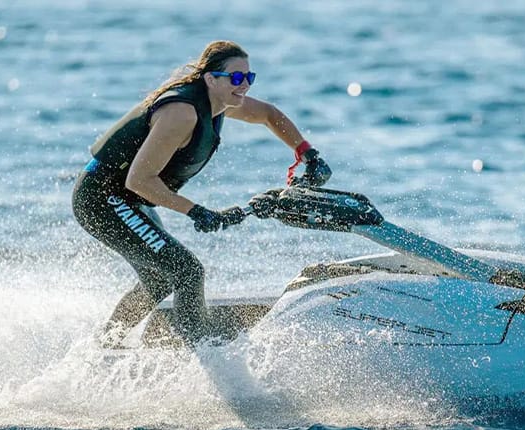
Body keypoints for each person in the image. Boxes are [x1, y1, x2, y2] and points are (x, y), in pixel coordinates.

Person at [71, 40, 331, 348]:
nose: (244, 85)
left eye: (250, 77)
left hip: (127, 199)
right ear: (210, 79)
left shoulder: (221, 102)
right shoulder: (181, 113)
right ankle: (203, 354)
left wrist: (306, 152)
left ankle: (106, 345)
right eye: (236, 78)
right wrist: (197, 211)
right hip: (101, 198)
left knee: (160, 276)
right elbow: (139, 180)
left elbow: (268, 115)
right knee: (186, 271)